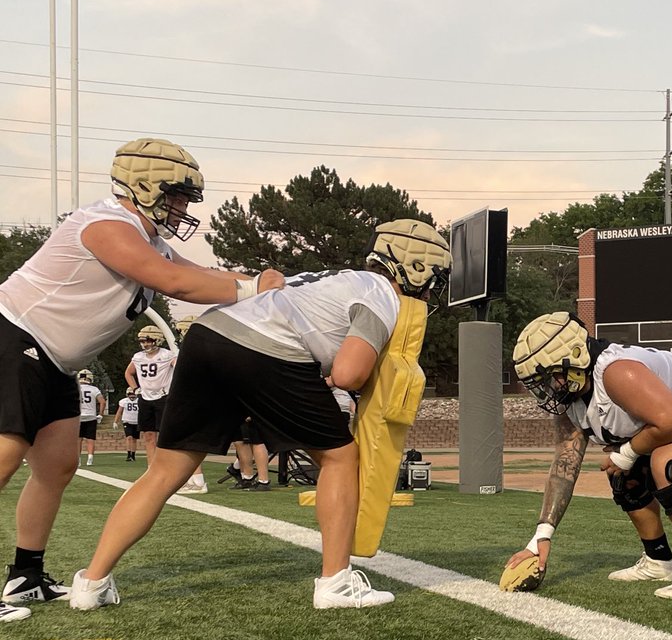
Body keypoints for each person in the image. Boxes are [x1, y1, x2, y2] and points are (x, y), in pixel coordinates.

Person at [69, 218, 451, 612]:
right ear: (416, 265)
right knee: (340, 456)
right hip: (267, 347)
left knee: (166, 470)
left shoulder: (337, 277)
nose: (434, 286)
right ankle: (336, 582)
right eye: (435, 276)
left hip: (208, 334)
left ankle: (92, 581)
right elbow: (348, 373)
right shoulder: (382, 295)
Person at [0, 136, 282, 622]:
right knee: (3, 459)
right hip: (15, 336)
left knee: (57, 466)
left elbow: (202, 273)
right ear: (144, 184)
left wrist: (267, 281)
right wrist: (255, 286)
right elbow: (173, 281)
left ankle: (26, 575)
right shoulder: (106, 223)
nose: (180, 206)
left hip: (54, 360)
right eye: (175, 194)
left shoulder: (146, 236)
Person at [505, 312, 672, 599]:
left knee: (667, 466)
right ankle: (659, 561)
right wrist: (541, 536)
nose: (547, 390)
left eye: (549, 378)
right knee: (623, 476)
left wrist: (627, 452)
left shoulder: (616, 372)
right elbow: (564, 465)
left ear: (574, 359)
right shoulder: (573, 397)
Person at [125, 325, 176, 466]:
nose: (145, 344)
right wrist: (135, 389)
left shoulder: (167, 355)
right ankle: (151, 466)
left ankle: (169, 464)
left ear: (157, 340)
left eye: (148, 340)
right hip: (145, 399)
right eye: (143, 341)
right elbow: (128, 373)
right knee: (148, 435)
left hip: (163, 397)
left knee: (166, 434)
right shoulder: (138, 357)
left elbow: (180, 370)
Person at [77, 369, 106, 467]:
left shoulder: (75, 388)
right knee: (90, 439)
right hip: (91, 416)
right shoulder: (94, 389)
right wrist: (101, 414)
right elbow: (102, 402)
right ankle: (90, 459)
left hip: (78, 417)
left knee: (78, 439)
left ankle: (78, 460)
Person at [114, 387, 140, 461]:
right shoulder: (123, 401)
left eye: (133, 394)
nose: (132, 396)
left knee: (134, 439)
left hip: (136, 421)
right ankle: (129, 455)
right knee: (129, 437)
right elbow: (119, 411)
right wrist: (115, 421)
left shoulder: (139, 401)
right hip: (127, 421)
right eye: (130, 394)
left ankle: (133, 455)